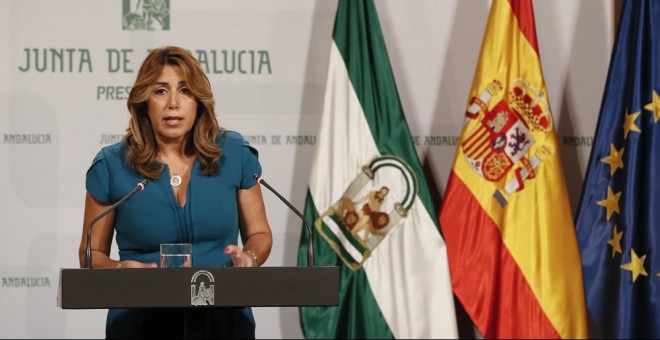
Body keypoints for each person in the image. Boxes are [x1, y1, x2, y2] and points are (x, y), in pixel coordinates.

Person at [78, 46, 273, 339]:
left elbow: (259, 235)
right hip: (140, 321)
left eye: (184, 91)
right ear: (144, 102)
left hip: (223, 318)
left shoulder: (234, 154)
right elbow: (90, 255)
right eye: (160, 91)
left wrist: (250, 257)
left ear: (198, 101)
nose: (173, 103)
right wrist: (120, 269)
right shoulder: (112, 165)